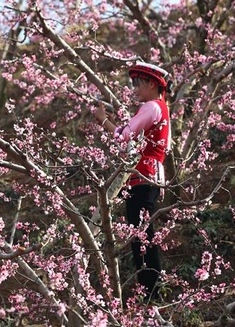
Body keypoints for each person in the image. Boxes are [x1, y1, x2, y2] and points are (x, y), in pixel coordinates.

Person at [95, 62, 172, 301]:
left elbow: (124, 136)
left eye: (138, 84)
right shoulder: (161, 108)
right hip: (150, 177)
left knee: (141, 236)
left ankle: (151, 294)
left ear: (151, 84)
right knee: (142, 234)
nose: (134, 89)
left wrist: (102, 121)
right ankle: (151, 291)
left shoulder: (151, 107)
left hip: (143, 178)